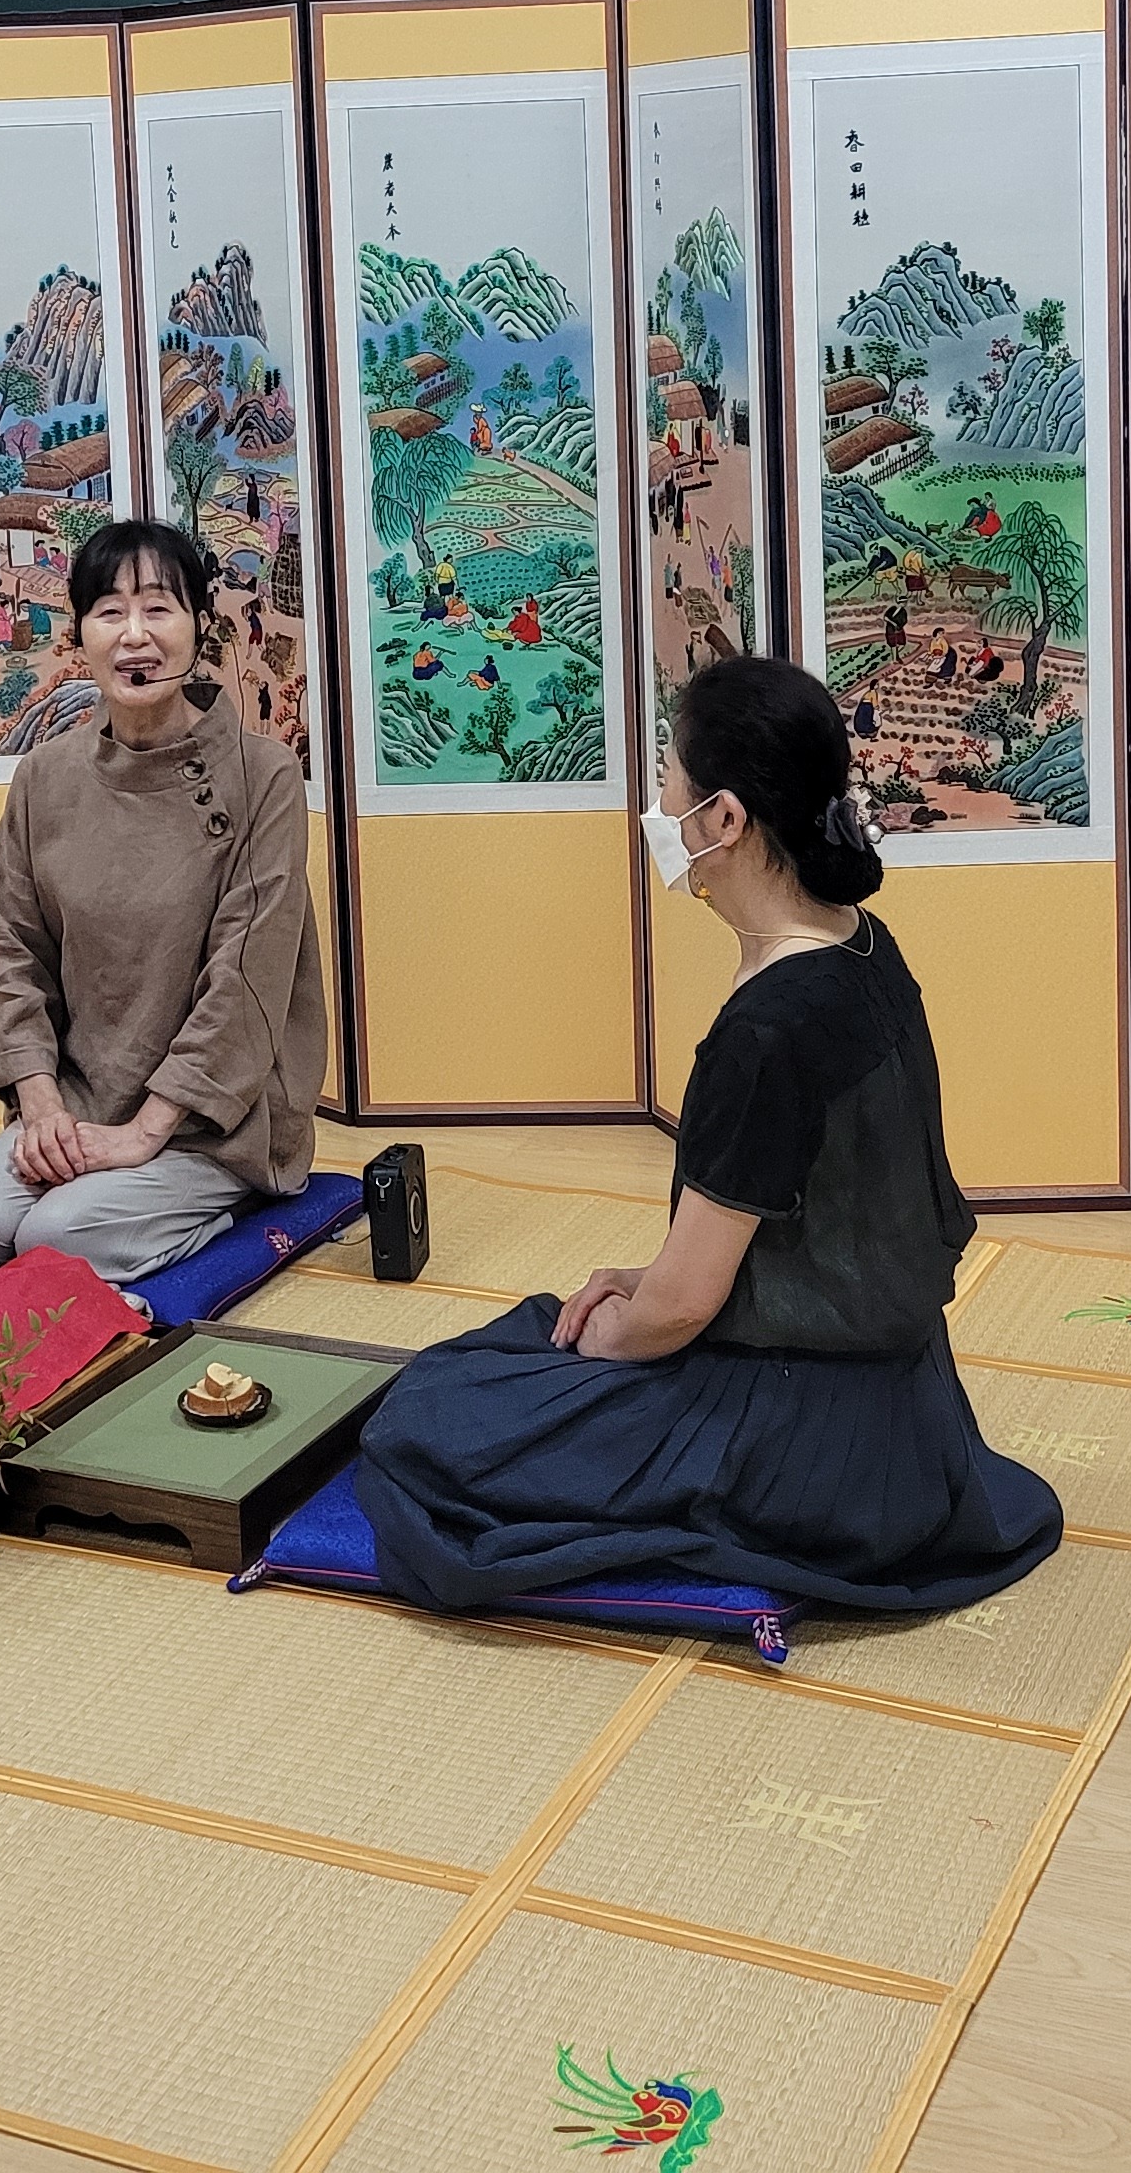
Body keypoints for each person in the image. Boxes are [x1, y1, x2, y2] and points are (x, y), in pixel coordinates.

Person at [351, 655, 1061, 1620]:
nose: (661, 810)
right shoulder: (863, 945)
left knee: (431, 1416)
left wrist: (611, 1335)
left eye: (669, 784)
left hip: (801, 1440)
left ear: (723, 819)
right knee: (529, 1336)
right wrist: (640, 1281)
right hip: (912, 1412)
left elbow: (682, 1308)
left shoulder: (768, 1030)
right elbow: (802, 1228)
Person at [0, 517, 325, 1281]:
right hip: (83, 1096)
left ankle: (224, 1209)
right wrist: (42, 1109)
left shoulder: (264, 777)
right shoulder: (44, 779)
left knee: (55, 1240)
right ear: (78, 633)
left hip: (219, 1117)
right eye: (110, 611)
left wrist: (146, 1132)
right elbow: (15, 958)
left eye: (159, 608)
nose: (135, 636)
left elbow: (246, 980)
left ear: (199, 625)